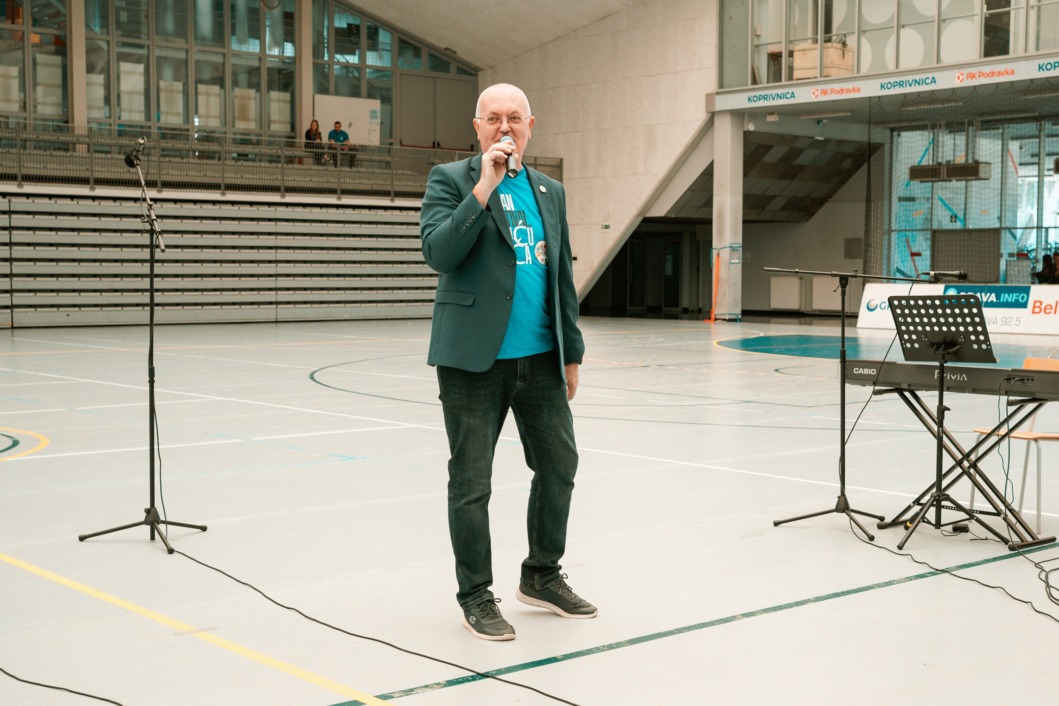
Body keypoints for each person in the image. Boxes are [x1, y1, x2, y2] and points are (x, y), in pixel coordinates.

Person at [420, 83, 596, 641]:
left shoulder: (550, 190)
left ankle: (541, 574)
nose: (504, 127)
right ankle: (475, 594)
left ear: (530, 126)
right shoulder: (450, 180)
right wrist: (484, 187)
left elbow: (561, 276)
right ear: (477, 127)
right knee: (472, 482)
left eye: (514, 118)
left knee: (560, 465)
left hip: (541, 358)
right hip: (473, 362)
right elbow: (439, 253)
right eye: (493, 118)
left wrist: (572, 354)